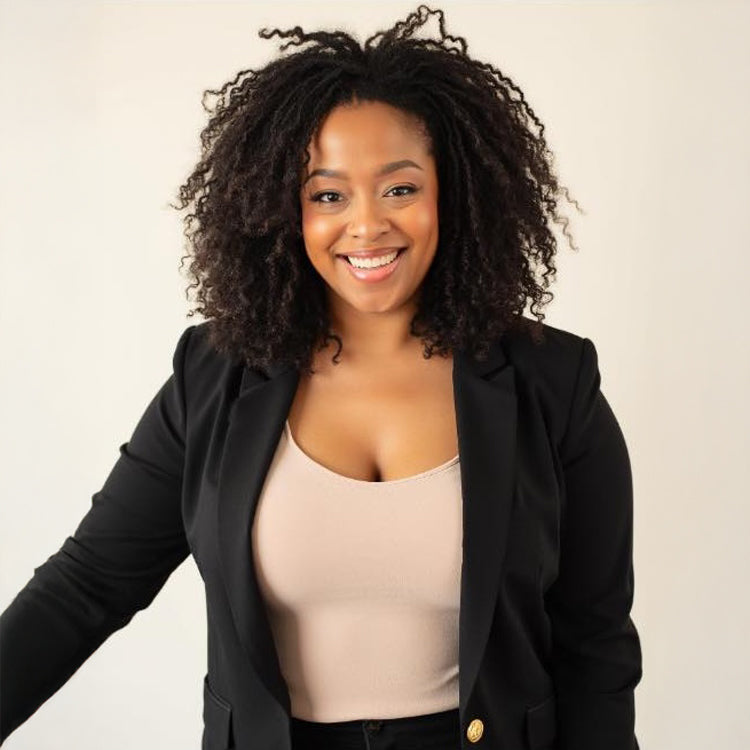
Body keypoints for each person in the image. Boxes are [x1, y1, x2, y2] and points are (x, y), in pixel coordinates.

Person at [0, 4, 642, 749]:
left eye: (400, 188)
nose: (366, 225)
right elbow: (87, 586)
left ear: (453, 193)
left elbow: (595, 646)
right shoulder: (212, 378)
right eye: (328, 195)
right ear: (285, 210)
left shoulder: (553, 382)